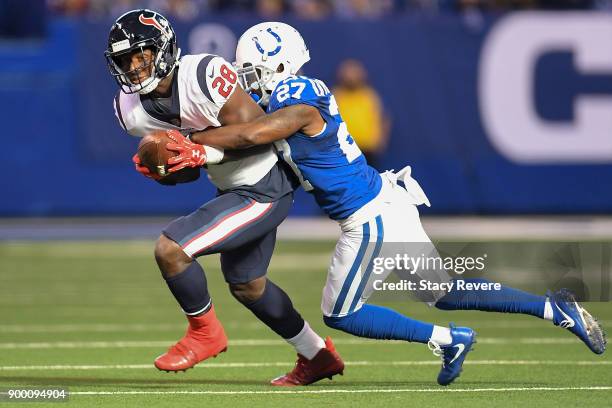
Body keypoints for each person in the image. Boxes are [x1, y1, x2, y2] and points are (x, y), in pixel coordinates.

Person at [166, 22, 607, 385]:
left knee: (341, 312)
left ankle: (446, 338)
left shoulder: (297, 95)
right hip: (385, 202)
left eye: (254, 70)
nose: (248, 79)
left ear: (279, 65)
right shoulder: (285, 93)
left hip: (368, 215)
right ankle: (554, 308)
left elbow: (250, 135)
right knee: (446, 291)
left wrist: (190, 143)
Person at [104, 10, 344, 386]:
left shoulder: (203, 75)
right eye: (125, 60)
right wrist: (165, 170)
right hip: (232, 186)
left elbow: (253, 135)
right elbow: (187, 171)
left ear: (163, 49)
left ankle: (205, 333)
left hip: (263, 185)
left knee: (171, 250)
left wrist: (196, 147)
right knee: (248, 286)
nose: (133, 67)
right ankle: (317, 356)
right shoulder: (132, 112)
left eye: (141, 55)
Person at [333, 59, 389, 171]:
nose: (351, 77)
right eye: (348, 73)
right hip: (344, 150)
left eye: (354, 73)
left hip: (368, 150)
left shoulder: (369, 96)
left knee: (369, 184)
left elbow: (383, 118)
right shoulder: (335, 96)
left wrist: (381, 139)